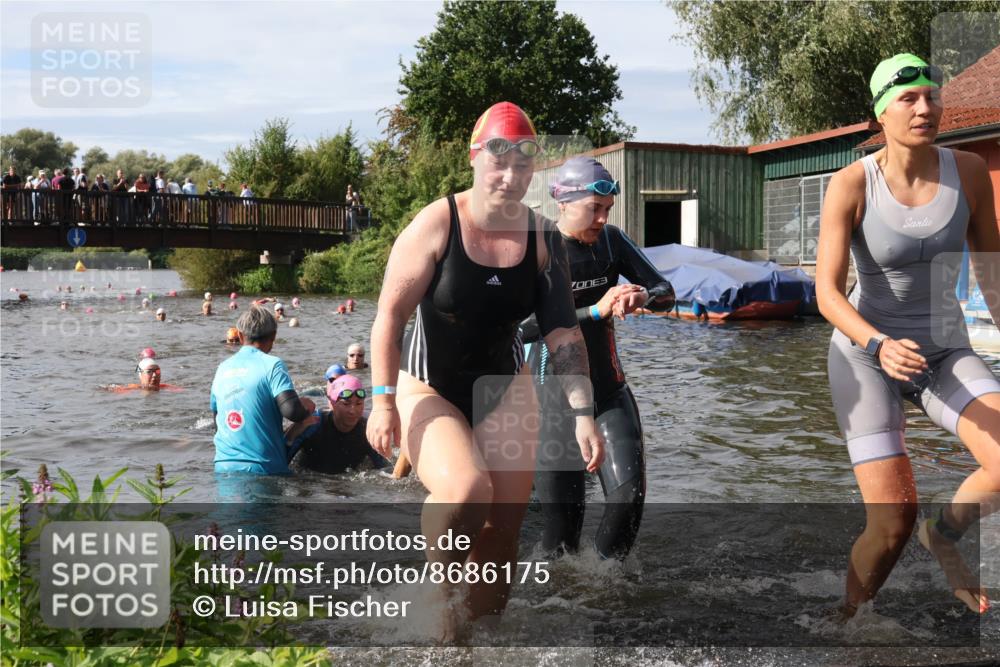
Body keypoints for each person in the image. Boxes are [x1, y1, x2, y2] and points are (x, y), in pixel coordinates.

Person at [366, 101, 603, 633]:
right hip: (430, 384)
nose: (511, 175)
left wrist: (583, 413)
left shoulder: (544, 239)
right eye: (499, 161)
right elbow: (390, 317)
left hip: (504, 385)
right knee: (468, 491)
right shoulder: (437, 222)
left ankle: (482, 639)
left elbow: (564, 333)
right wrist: (381, 402)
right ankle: (436, 595)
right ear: (474, 158)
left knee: (501, 530)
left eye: (523, 164)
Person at [816, 53, 1000, 617]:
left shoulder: (967, 171)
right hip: (866, 355)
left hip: (945, 347)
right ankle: (848, 622)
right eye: (909, 99)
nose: (926, 107)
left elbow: (991, 271)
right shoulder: (851, 184)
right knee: (891, 522)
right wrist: (877, 343)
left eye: (932, 96)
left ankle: (943, 536)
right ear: (881, 113)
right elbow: (826, 292)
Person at [519, 157, 676, 561]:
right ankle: (564, 603)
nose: (603, 219)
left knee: (629, 499)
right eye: (595, 209)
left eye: (607, 210)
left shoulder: (611, 241)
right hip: (551, 404)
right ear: (565, 204)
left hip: (608, 391)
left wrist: (643, 296)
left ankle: (606, 589)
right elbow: (518, 329)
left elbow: (666, 290)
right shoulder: (538, 248)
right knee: (561, 535)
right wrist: (592, 311)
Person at [210, 305, 316, 474]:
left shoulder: (222, 368)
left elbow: (218, 422)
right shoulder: (273, 365)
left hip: (223, 466)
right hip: (262, 467)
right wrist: (306, 407)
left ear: (239, 335)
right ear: (273, 336)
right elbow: (292, 411)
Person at [287, 375, 390, 474]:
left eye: (359, 403)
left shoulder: (367, 430)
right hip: (311, 484)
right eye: (346, 403)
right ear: (332, 404)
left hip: (347, 487)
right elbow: (282, 458)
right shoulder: (313, 423)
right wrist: (293, 433)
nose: (353, 411)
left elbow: (385, 468)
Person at [107, 357, 181, 393]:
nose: (155, 375)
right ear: (141, 375)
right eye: (149, 372)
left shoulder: (167, 387)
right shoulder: (130, 389)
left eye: (157, 371)